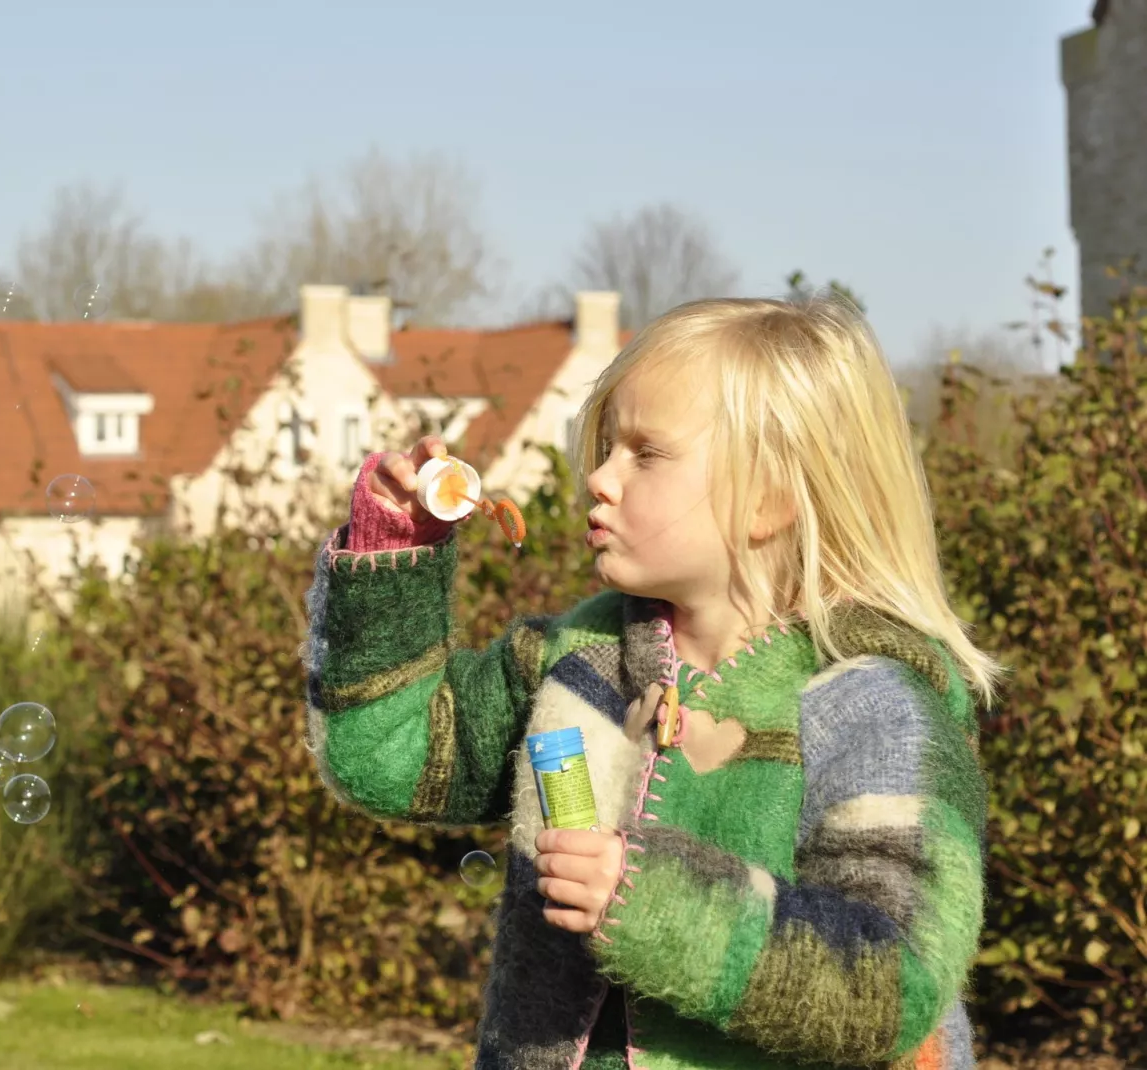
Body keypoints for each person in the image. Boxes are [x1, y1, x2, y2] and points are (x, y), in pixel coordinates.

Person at [301, 295, 997, 1070]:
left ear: (767, 498)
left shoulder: (876, 710)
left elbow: (893, 983)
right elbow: (384, 757)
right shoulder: (582, 657)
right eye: (605, 447)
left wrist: (650, 902)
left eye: (644, 453)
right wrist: (390, 558)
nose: (599, 478)